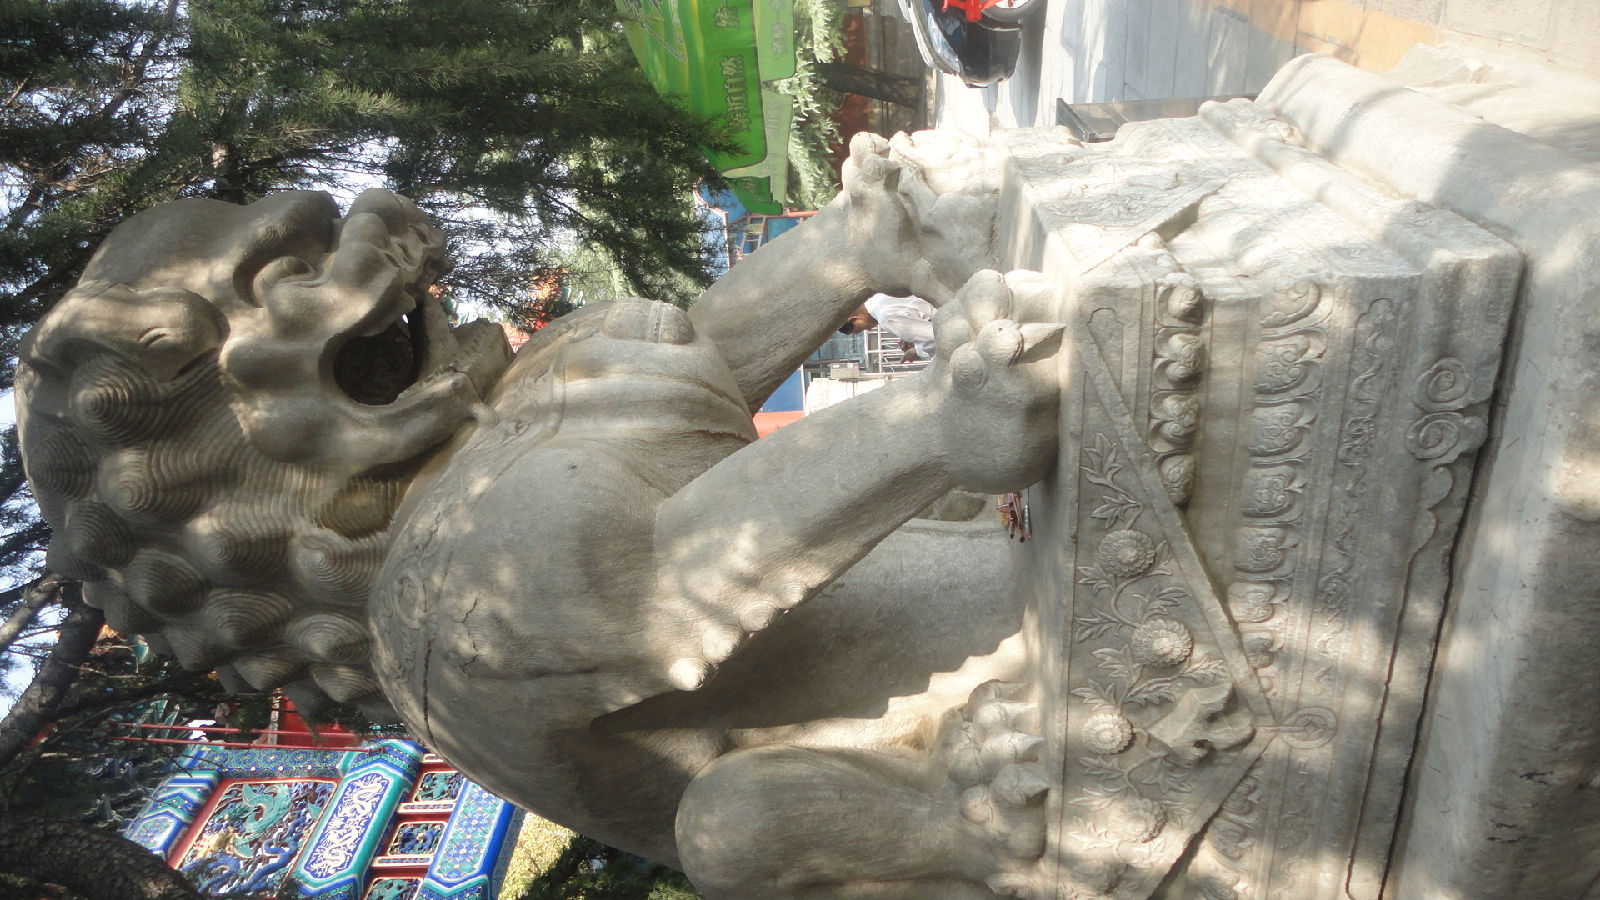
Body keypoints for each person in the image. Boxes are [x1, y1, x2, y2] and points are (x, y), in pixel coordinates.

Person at [840, 293, 938, 361]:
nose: (869, 329)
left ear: (854, 317)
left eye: (862, 328)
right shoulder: (879, 295)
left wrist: (917, 352)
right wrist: (909, 336)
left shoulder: (886, 318)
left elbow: (934, 337)